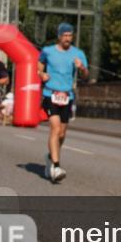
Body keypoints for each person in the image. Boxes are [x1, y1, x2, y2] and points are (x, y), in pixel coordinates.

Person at [39, 23, 89, 183]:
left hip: (67, 96)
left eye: (70, 35)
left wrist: (81, 68)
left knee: (62, 133)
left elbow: (86, 76)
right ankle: (56, 165)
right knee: (54, 128)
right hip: (50, 94)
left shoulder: (78, 53)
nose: (68, 38)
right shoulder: (48, 51)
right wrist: (41, 74)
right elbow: (39, 65)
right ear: (59, 36)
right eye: (65, 35)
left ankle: (49, 158)